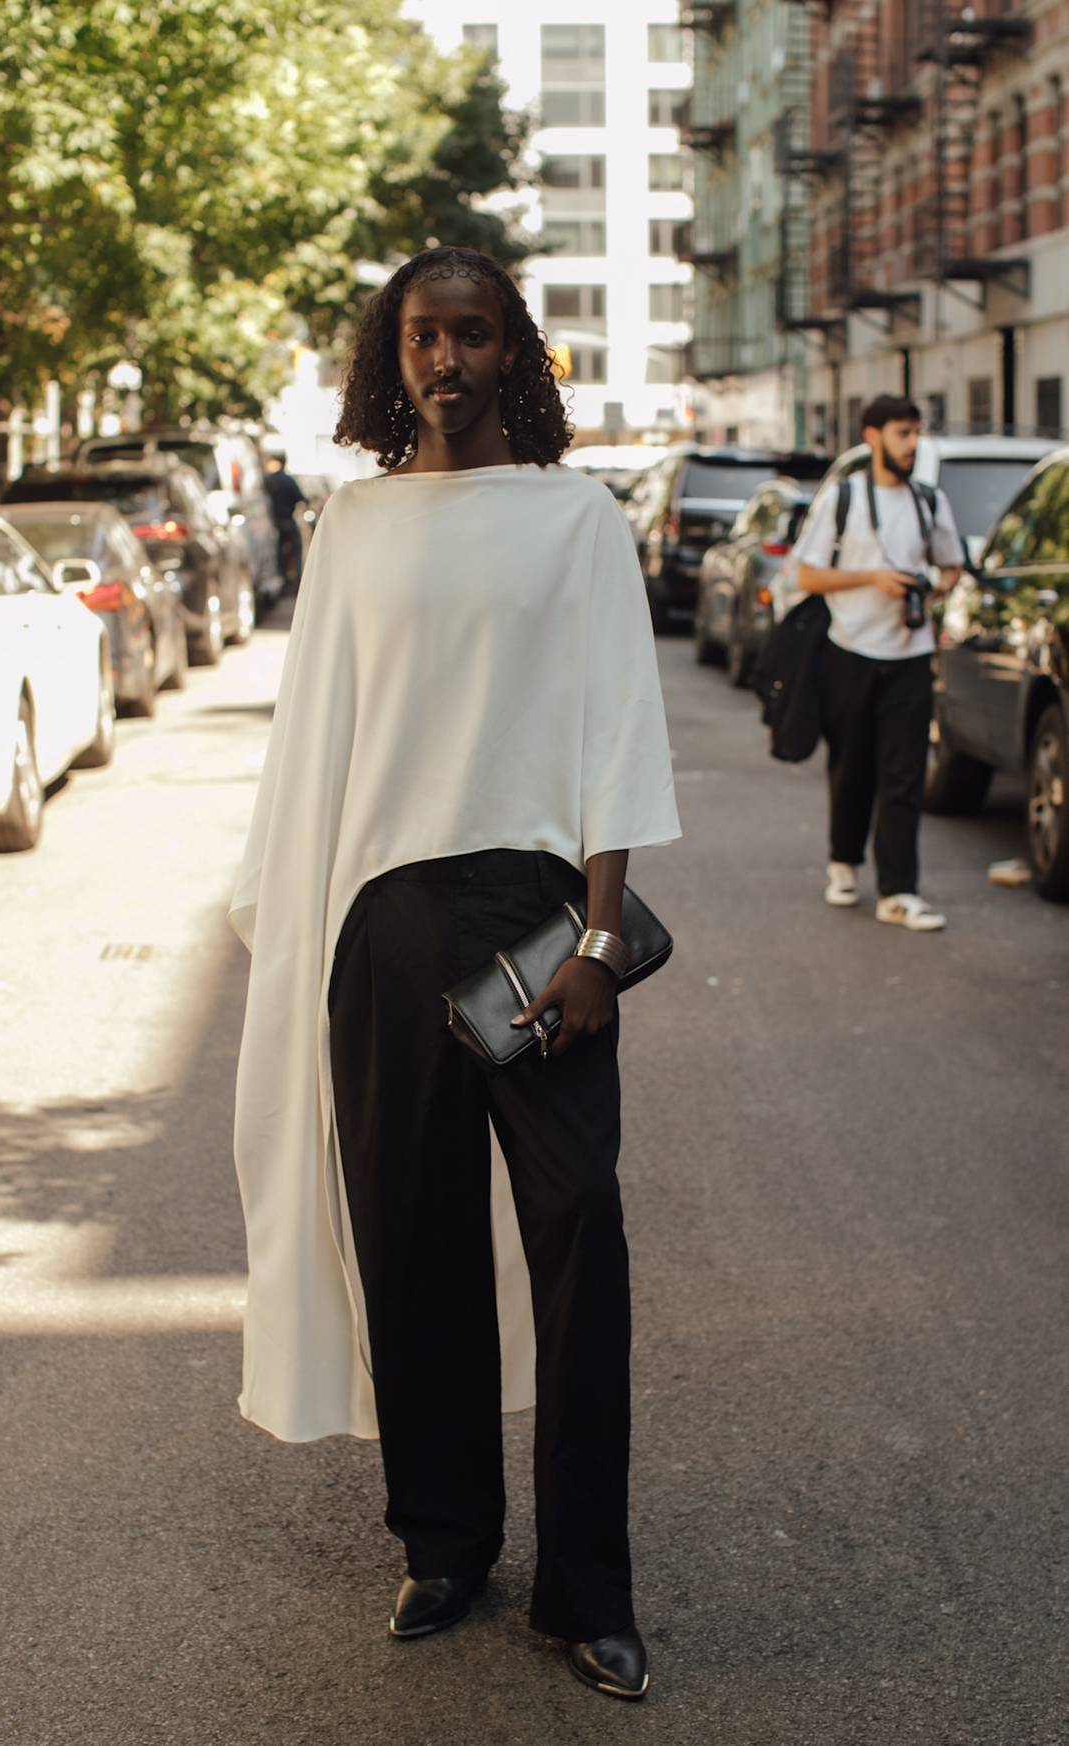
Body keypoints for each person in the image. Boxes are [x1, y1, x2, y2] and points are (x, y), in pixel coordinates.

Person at [229, 246, 680, 1700]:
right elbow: (314, 746)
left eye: (473, 334)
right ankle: (445, 1540)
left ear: (515, 355)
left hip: (537, 923)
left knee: (581, 1239)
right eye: (423, 336)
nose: (447, 360)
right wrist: (298, 925)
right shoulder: (353, 529)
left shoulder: (577, 522)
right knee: (411, 1245)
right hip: (383, 918)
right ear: (391, 357)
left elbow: (617, 734)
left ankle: (590, 1588)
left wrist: (603, 941)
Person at [794, 395, 964, 930]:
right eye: (902, 433)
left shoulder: (930, 502)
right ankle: (844, 862)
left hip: (910, 656)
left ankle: (898, 891)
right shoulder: (842, 498)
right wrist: (872, 579)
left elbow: (952, 567)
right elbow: (808, 576)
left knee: (904, 775)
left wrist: (928, 590)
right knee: (852, 768)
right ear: (873, 436)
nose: (912, 445)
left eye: (916, 433)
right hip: (849, 650)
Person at [262, 448, 306, 590]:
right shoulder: (288, 480)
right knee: (296, 549)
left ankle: (281, 579)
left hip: (274, 523)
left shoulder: (268, 481)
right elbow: (300, 498)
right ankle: (298, 579)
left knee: (277, 553)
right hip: (287, 520)